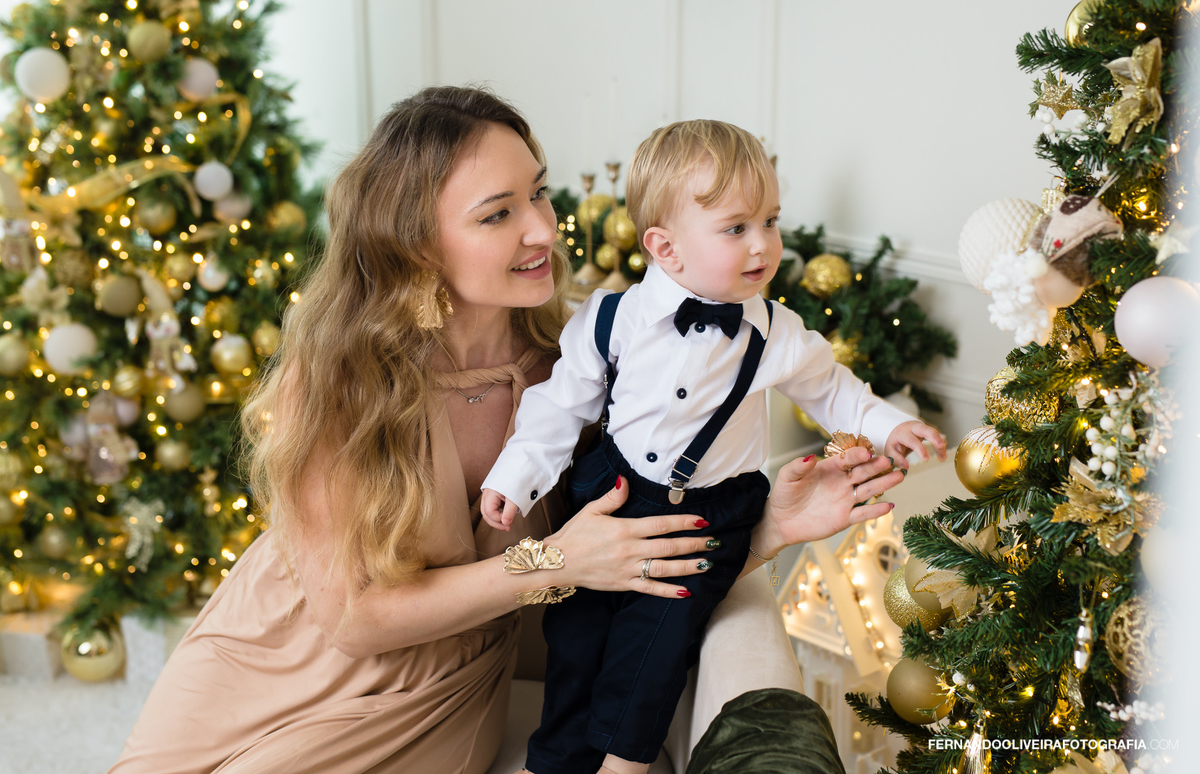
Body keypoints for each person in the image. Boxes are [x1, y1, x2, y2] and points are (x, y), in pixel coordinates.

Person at [109, 87, 923, 774]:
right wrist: (553, 560)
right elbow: (354, 617)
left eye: (538, 192)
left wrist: (771, 528)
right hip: (276, 662)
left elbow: (637, 547)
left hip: (435, 698)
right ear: (416, 243)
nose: (542, 228)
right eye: (498, 213)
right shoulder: (339, 379)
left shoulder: (568, 364)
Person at [479, 119, 946, 774]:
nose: (764, 244)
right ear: (664, 247)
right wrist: (515, 475)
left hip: (706, 516)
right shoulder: (610, 319)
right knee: (576, 639)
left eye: (770, 220)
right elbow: (559, 406)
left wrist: (888, 424)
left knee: (653, 650)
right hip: (610, 495)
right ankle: (554, 758)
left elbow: (831, 391)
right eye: (736, 228)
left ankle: (624, 764)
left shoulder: (775, 332)